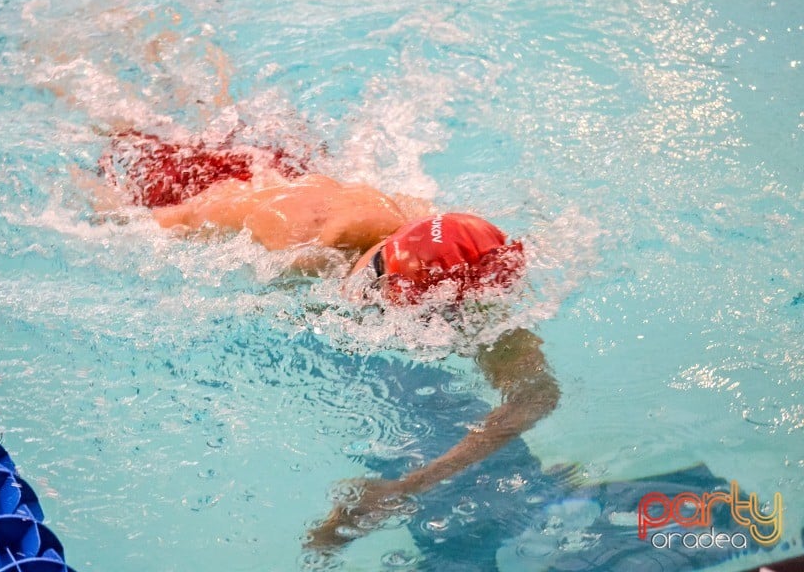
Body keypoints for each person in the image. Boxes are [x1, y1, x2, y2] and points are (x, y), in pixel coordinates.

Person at [91, 125, 559, 550]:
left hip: (296, 175)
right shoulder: (297, 236)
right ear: (377, 270)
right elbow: (160, 225)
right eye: (397, 311)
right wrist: (101, 210)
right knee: (123, 128)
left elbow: (535, 396)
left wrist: (405, 487)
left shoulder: (464, 266)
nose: (419, 331)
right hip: (201, 183)